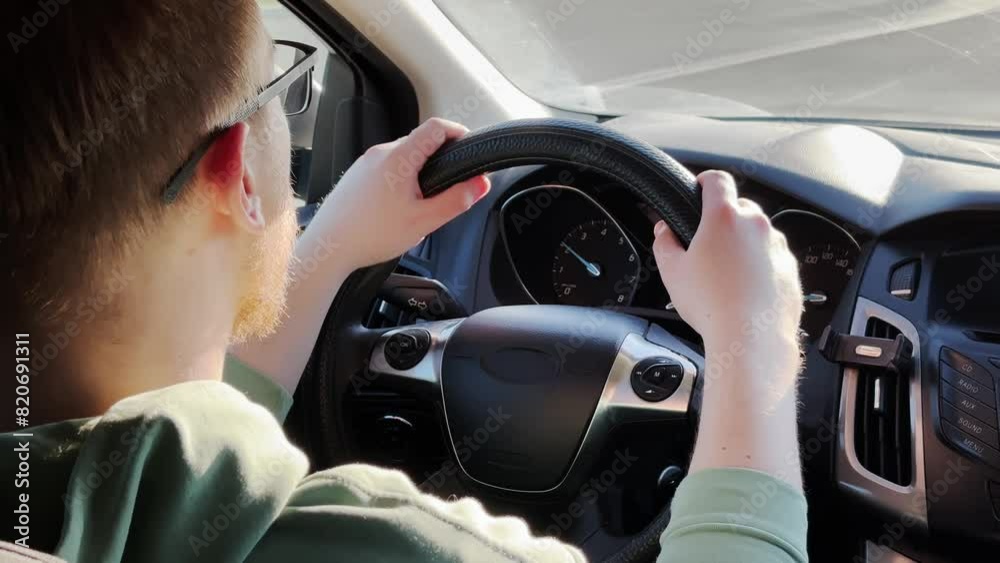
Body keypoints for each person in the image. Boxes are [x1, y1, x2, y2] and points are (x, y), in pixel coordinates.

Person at [0, 1, 807, 561]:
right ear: (239, 175)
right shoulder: (388, 544)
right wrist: (753, 343)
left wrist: (331, 248)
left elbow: (151, 470)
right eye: (282, 91)